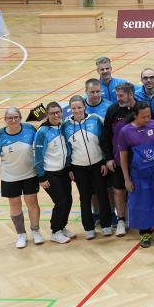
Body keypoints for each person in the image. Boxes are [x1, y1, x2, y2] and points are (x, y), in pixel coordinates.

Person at [117, 102, 154, 248]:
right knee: (142, 203)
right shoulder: (125, 131)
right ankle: (145, 233)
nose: (147, 119)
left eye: (149, 116)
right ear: (135, 115)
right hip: (138, 175)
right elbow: (123, 157)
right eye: (143, 117)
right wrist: (127, 179)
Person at [0, 108, 43, 248]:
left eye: (16, 117)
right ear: (5, 120)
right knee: (15, 205)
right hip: (9, 176)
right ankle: (21, 234)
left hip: (30, 174)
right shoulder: (0, 134)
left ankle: (36, 231)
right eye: (10, 118)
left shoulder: (30, 129)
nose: (13, 120)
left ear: (20, 118)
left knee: (32, 203)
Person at [63, 96, 113, 236]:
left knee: (102, 195)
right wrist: (69, 169)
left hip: (98, 165)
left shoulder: (95, 120)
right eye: (73, 108)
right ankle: (89, 228)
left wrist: (104, 161)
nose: (77, 110)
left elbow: (104, 142)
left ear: (84, 106)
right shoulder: (65, 126)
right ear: (70, 109)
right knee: (85, 198)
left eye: (79, 107)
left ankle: (106, 225)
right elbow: (66, 150)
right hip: (78, 167)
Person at [33, 102, 74, 243]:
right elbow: (38, 156)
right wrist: (42, 177)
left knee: (68, 200)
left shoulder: (63, 127)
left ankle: (62, 227)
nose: (56, 115)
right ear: (47, 115)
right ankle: (55, 231)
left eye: (58, 112)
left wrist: (69, 168)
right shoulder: (42, 132)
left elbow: (67, 150)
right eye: (52, 113)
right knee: (61, 201)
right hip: (49, 173)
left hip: (63, 172)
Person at [101, 82, 137, 236]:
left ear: (130, 94)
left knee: (139, 189)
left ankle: (138, 218)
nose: (118, 98)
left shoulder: (141, 108)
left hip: (138, 160)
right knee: (119, 190)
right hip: (117, 159)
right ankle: (121, 220)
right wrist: (108, 158)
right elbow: (106, 136)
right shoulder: (113, 110)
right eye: (117, 95)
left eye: (121, 95)